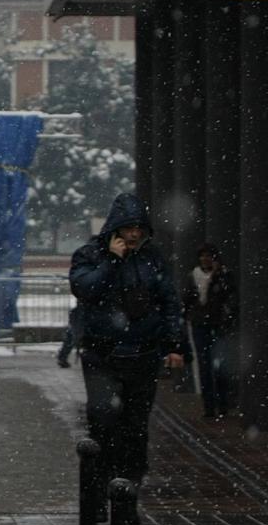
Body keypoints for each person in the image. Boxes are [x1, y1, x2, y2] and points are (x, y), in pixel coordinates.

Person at [69, 193, 184, 496]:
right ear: (115, 229)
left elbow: (169, 302)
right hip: (102, 355)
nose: (134, 234)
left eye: (139, 228)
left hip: (142, 356)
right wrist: (111, 261)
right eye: (128, 227)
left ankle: (128, 492)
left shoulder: (152, 259)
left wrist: (174, 345)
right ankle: (100, 490)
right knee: (104, 425)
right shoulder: (89, 254)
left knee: (135, 429)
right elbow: (85, 288)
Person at [182, 242, 237, 420]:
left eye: (208, 256)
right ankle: (209, 406)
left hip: (218, 325)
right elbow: (187, 299)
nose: (205, 259)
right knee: (204, 366)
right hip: (200, 325)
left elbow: (229, 296)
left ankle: (222, 404)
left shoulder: (223, 275)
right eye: (202, 256)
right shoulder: (193, 276)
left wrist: (216, 275)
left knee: (220, 366)